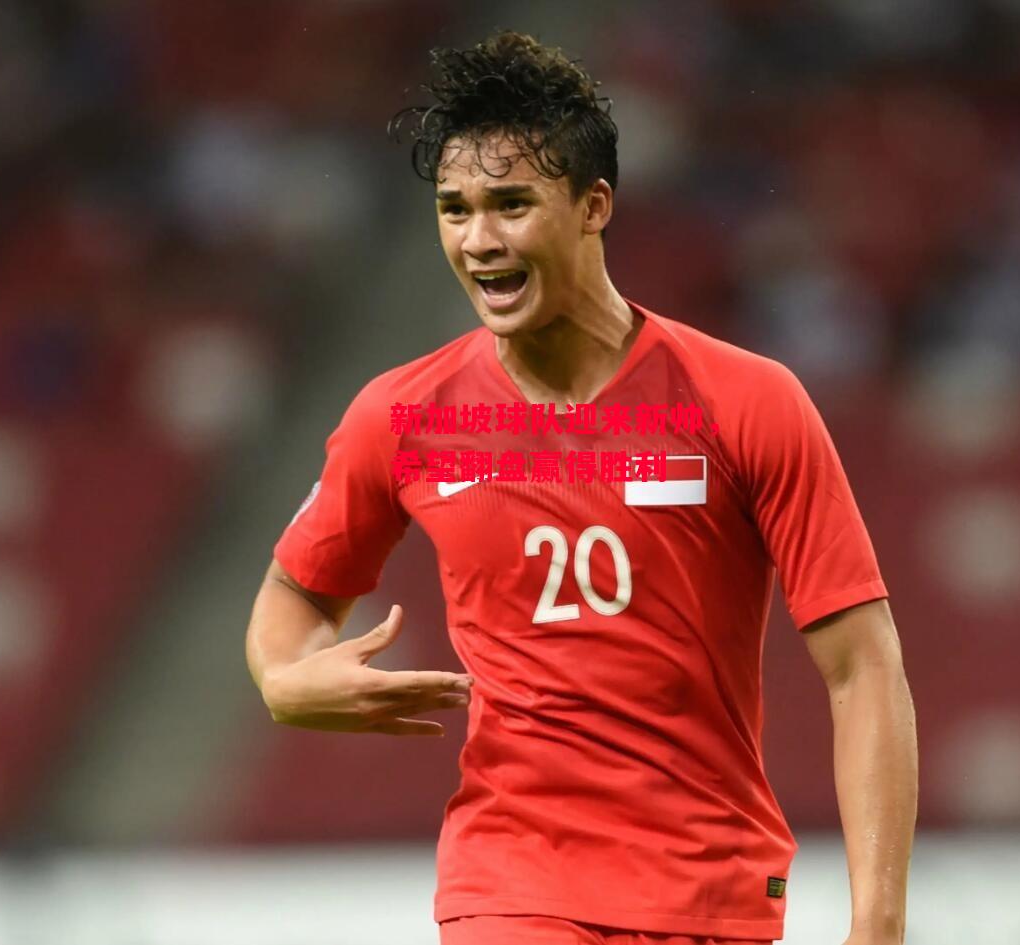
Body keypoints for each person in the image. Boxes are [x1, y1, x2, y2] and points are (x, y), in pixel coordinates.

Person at [246, 30, 917, 945]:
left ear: (594, 205)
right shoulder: (401, 416)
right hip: (510, 888)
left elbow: (863, 666)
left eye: (512, 204)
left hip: (710, 889)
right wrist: (283, 680)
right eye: (454, 209)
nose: (479, 240)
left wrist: (879, 924)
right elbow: (292, 600)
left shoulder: (747, 402)